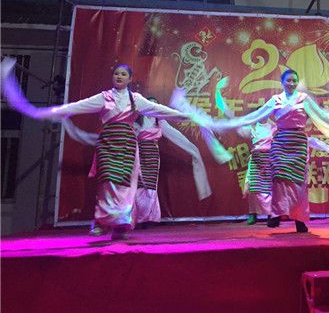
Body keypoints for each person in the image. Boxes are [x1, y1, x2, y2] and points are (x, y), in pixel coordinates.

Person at [1, 59, 194, 240]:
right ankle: (102, 222)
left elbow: (161, 111)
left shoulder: (136, 100)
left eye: (123, 74)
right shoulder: (104, 98)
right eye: (116, 74)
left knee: (125, 187)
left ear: (129, 79)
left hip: (127, 145)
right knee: (108, 182)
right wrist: (49, 111)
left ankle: (119, 226)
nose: (119, 76)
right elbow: (76, 106)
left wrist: (186, 116)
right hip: (108, 144)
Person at [176, 69, 329, 233]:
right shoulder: (275, 100)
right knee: (279, 180)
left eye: (294, 80)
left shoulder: (304, 99)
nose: (291, 83)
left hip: (298, 143)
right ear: (282, 82)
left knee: (299, 183)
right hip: (281, 143)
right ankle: (276, 214)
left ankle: (299, 219)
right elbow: (251, 117)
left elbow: (322, 118)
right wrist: (222, 122)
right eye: (288, 80)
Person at [132, 97, 211, 226]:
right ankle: (137, 218)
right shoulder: (137, 119)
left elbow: (176, 135)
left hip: (152, 155)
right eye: (151, 104)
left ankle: (146, 218)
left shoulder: (159, 120)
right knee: (139, 185)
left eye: (156, 104)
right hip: (138, 154)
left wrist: (193, 150)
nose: (153, 107)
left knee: (150, 186)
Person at [215, 79, 274, 225]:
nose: (263, 115)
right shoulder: (252, 127)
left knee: (270, 187)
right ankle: (253, 214)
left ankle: (271, 215)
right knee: (253, 187)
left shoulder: (274, 128)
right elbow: (234, 120)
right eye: (260, 113)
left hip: (270, 160)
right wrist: (220, 98)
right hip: (256, 160)